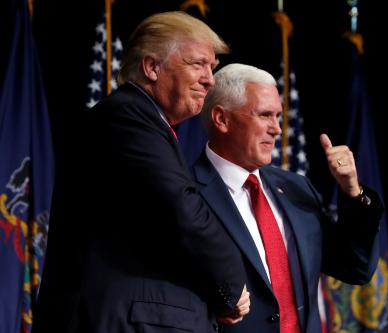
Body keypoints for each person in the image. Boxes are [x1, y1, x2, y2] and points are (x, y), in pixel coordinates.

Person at [33, 12, 250, 333]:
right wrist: (232, 285)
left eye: (212, 67)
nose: (210, 79)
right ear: (152, 67)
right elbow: (181, 210)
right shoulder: (127, 117)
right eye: (197, 64)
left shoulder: (143, 122)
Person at [192, 63, 384, 333]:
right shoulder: (186, 193)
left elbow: (355, 268)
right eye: (264, 116)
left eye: (278, 117)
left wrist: (353, 192)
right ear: (222, 119)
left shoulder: (296, 187)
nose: (277, 129)